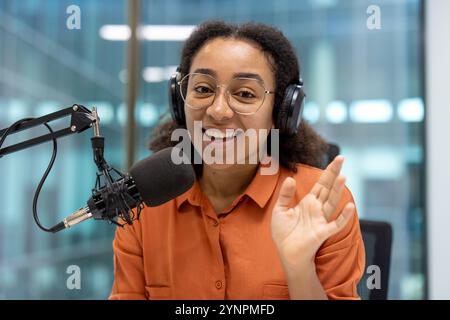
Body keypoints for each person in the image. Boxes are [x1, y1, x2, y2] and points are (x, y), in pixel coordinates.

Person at [109, 20, 365, 300]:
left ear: (281, 112)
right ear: (180, 102)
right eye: (203, 89)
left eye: (244, 94)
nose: (218, 111)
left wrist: (299, 266)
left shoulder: (321, 203)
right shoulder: (144, 202)